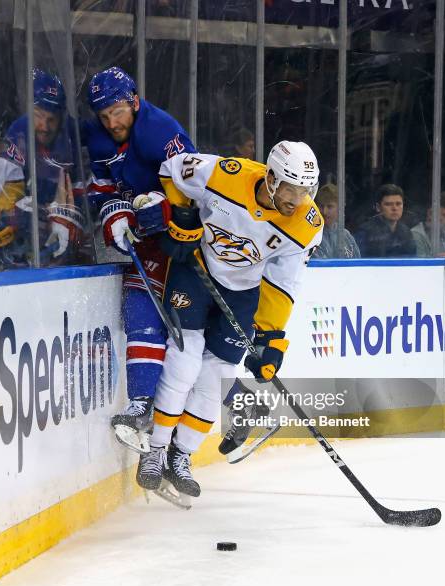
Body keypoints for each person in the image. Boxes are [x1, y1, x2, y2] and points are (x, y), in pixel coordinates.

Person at [135, 141, 323, 498]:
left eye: (305, 192)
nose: (296, 200)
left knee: (217, 374)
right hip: (195, 271)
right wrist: (182, 215)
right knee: (185, 360)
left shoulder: (306, 225)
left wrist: (272, 338)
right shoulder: (224, 174)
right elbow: (171, 169)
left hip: (243, 293)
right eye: (290, 189)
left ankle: (181, 456)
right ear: (270, 178)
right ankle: (155, 450)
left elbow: (283, 282)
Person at [83, 66, 196, 461]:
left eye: (117, 111)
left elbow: (194, 191)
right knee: (140, 309)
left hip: (183, 241)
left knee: (190, 335)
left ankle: (239, 402)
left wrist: (167, 209)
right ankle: (141, 405)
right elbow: (100, 187)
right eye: (104, 115)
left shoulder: (161, 131)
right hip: (145, 239)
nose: (112, 122)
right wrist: (114, 210)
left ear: (133, 100)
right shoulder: (97, 134)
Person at [0, 69, 86, 269]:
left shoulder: (74, 134)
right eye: (38, 116)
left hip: (64, 224)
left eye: (51, 119)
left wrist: (74, 212)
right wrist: (21, 208)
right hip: (31, 227)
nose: (44, 126)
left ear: (61, 117)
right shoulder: (18, 132)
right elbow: (9, 190)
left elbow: (82, 193)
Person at [355, 184, 416, 257]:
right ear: (378, 207)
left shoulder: (406, 231)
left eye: (398, 204)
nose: (394, 208)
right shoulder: (365, 232)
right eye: (388, 204)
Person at [313, 183, 360, 258]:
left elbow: (358, 264)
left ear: (340, 207)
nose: (324, 212)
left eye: (330, 206)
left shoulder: (346, 236)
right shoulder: (311, 234)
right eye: (321, 206)